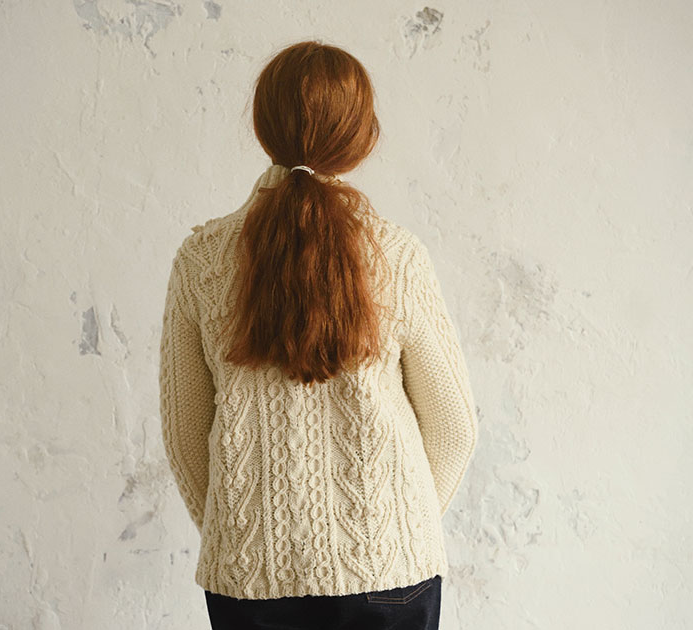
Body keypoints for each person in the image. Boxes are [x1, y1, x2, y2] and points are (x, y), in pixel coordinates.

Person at [159, 39, 479, 630]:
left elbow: (185, 434)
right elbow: (454, 429)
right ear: (360, 137)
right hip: (390, 573)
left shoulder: (201, 260)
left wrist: (245, 534)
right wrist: (392, 531)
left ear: (265, 127)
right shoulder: (397, 256)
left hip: (249, 579)